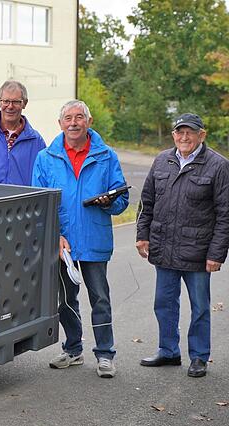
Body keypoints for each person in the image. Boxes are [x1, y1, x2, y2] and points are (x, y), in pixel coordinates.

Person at [32, 100, 129, 378]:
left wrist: (108, 202)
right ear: (60, 123)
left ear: (89, 121)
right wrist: (55, 236)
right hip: (62, 245)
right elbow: (39, 205)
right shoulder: (46, 158)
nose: (73, 123)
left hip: (94, 239)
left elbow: (122, 198)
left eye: (79, 117)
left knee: (100, 298)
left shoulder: (106, 156)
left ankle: (105, 354)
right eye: (67, 118)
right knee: (64, 300)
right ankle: (73, 350)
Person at [136, 113, 229, 378]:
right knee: (164, 303)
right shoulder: (162, 160)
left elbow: (225, 214)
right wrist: (142, 235)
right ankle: (168, 351)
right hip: (164, 249)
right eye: (180, 132)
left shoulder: (218, 166)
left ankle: (199, 356)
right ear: (173, 134)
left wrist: (217, 253)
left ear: (202, 135)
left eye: (190, 132)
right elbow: (146, 202)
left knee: (199, 307)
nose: (184, 137)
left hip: (198, 253)